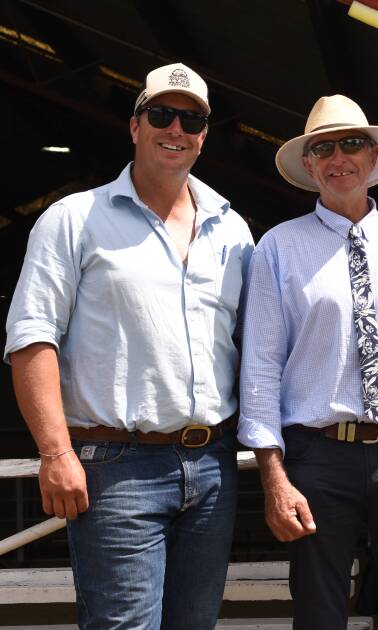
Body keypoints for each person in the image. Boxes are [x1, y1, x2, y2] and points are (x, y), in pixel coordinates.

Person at [4, 62, 253, 629]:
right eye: (161, 114)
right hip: (116, 465)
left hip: (212, 462)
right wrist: (54, 452)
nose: (176, 128)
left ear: (205, 135)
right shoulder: (73, 220)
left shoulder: (233, 230)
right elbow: (31, 339)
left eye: (191, 119)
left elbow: (255, 345)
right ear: (135, 126)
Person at [238, 94, 378, 629]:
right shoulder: (278, 247)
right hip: (317, 458)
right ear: (309, 164)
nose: (338, 157)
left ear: (372, 159)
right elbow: (260, 366)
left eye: (351, 144)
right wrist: (273, 475)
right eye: (323, 148)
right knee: (319, 613)